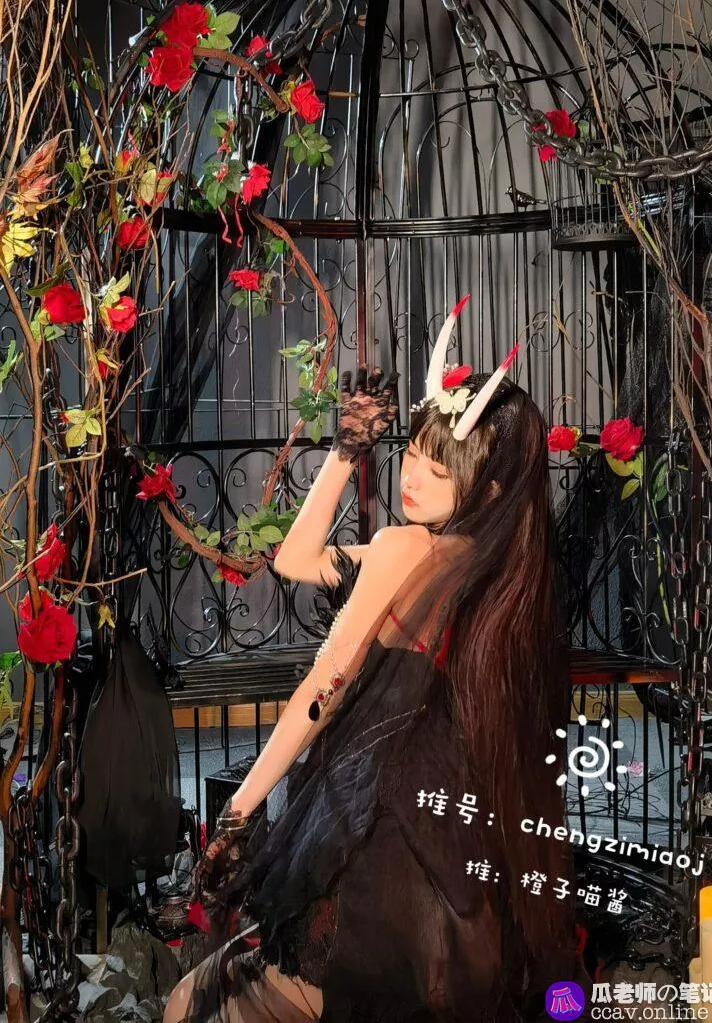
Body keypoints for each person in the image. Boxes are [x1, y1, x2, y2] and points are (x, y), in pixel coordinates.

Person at [163, 297, 584, 1022]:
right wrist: (351, 449)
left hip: (379, 855)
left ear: (486, 487)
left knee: (193, 1006)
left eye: (436, 469)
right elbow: (299, 560)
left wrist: (237, 810)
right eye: (411, 454)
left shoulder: (403, 551)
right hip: (456, 870)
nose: (411, 476)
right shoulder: (501, 579)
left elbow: (319, 692)